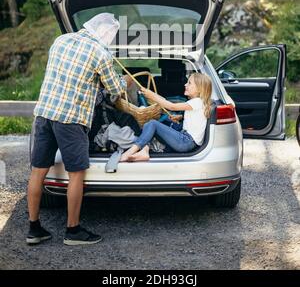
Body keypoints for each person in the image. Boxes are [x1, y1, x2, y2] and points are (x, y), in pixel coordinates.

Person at [27, 13, 132, 246]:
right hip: (71, 120)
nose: (110, 41)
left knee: (38, 171)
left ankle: (34, 229)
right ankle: (72, 231)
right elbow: (115, 90)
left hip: (44, 114)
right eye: (111, 37)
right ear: (104, 32)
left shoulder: (60, 41)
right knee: (76, 174)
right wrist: (125, 82)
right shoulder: (100, 54)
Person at [120, 73, 212, 162]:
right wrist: (180, 117)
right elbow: (195, 117)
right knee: (151, 125)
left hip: (186, 142)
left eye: (189, 83)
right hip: (186, 140)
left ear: (199, 89)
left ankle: (131, 150)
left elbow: (172, 107)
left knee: (153, 123)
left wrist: (152, 96)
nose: (185, 84)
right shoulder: (198, 102)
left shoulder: (197, 102)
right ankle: (144, 151)